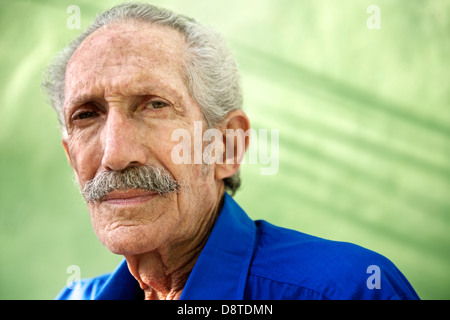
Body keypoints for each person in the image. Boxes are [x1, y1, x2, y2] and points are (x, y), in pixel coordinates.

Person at [42, 2, 419, 300]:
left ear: (225, 146)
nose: (115, 155)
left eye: (154, 105)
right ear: (72, 160)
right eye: (87, 115)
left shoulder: (348, 290)